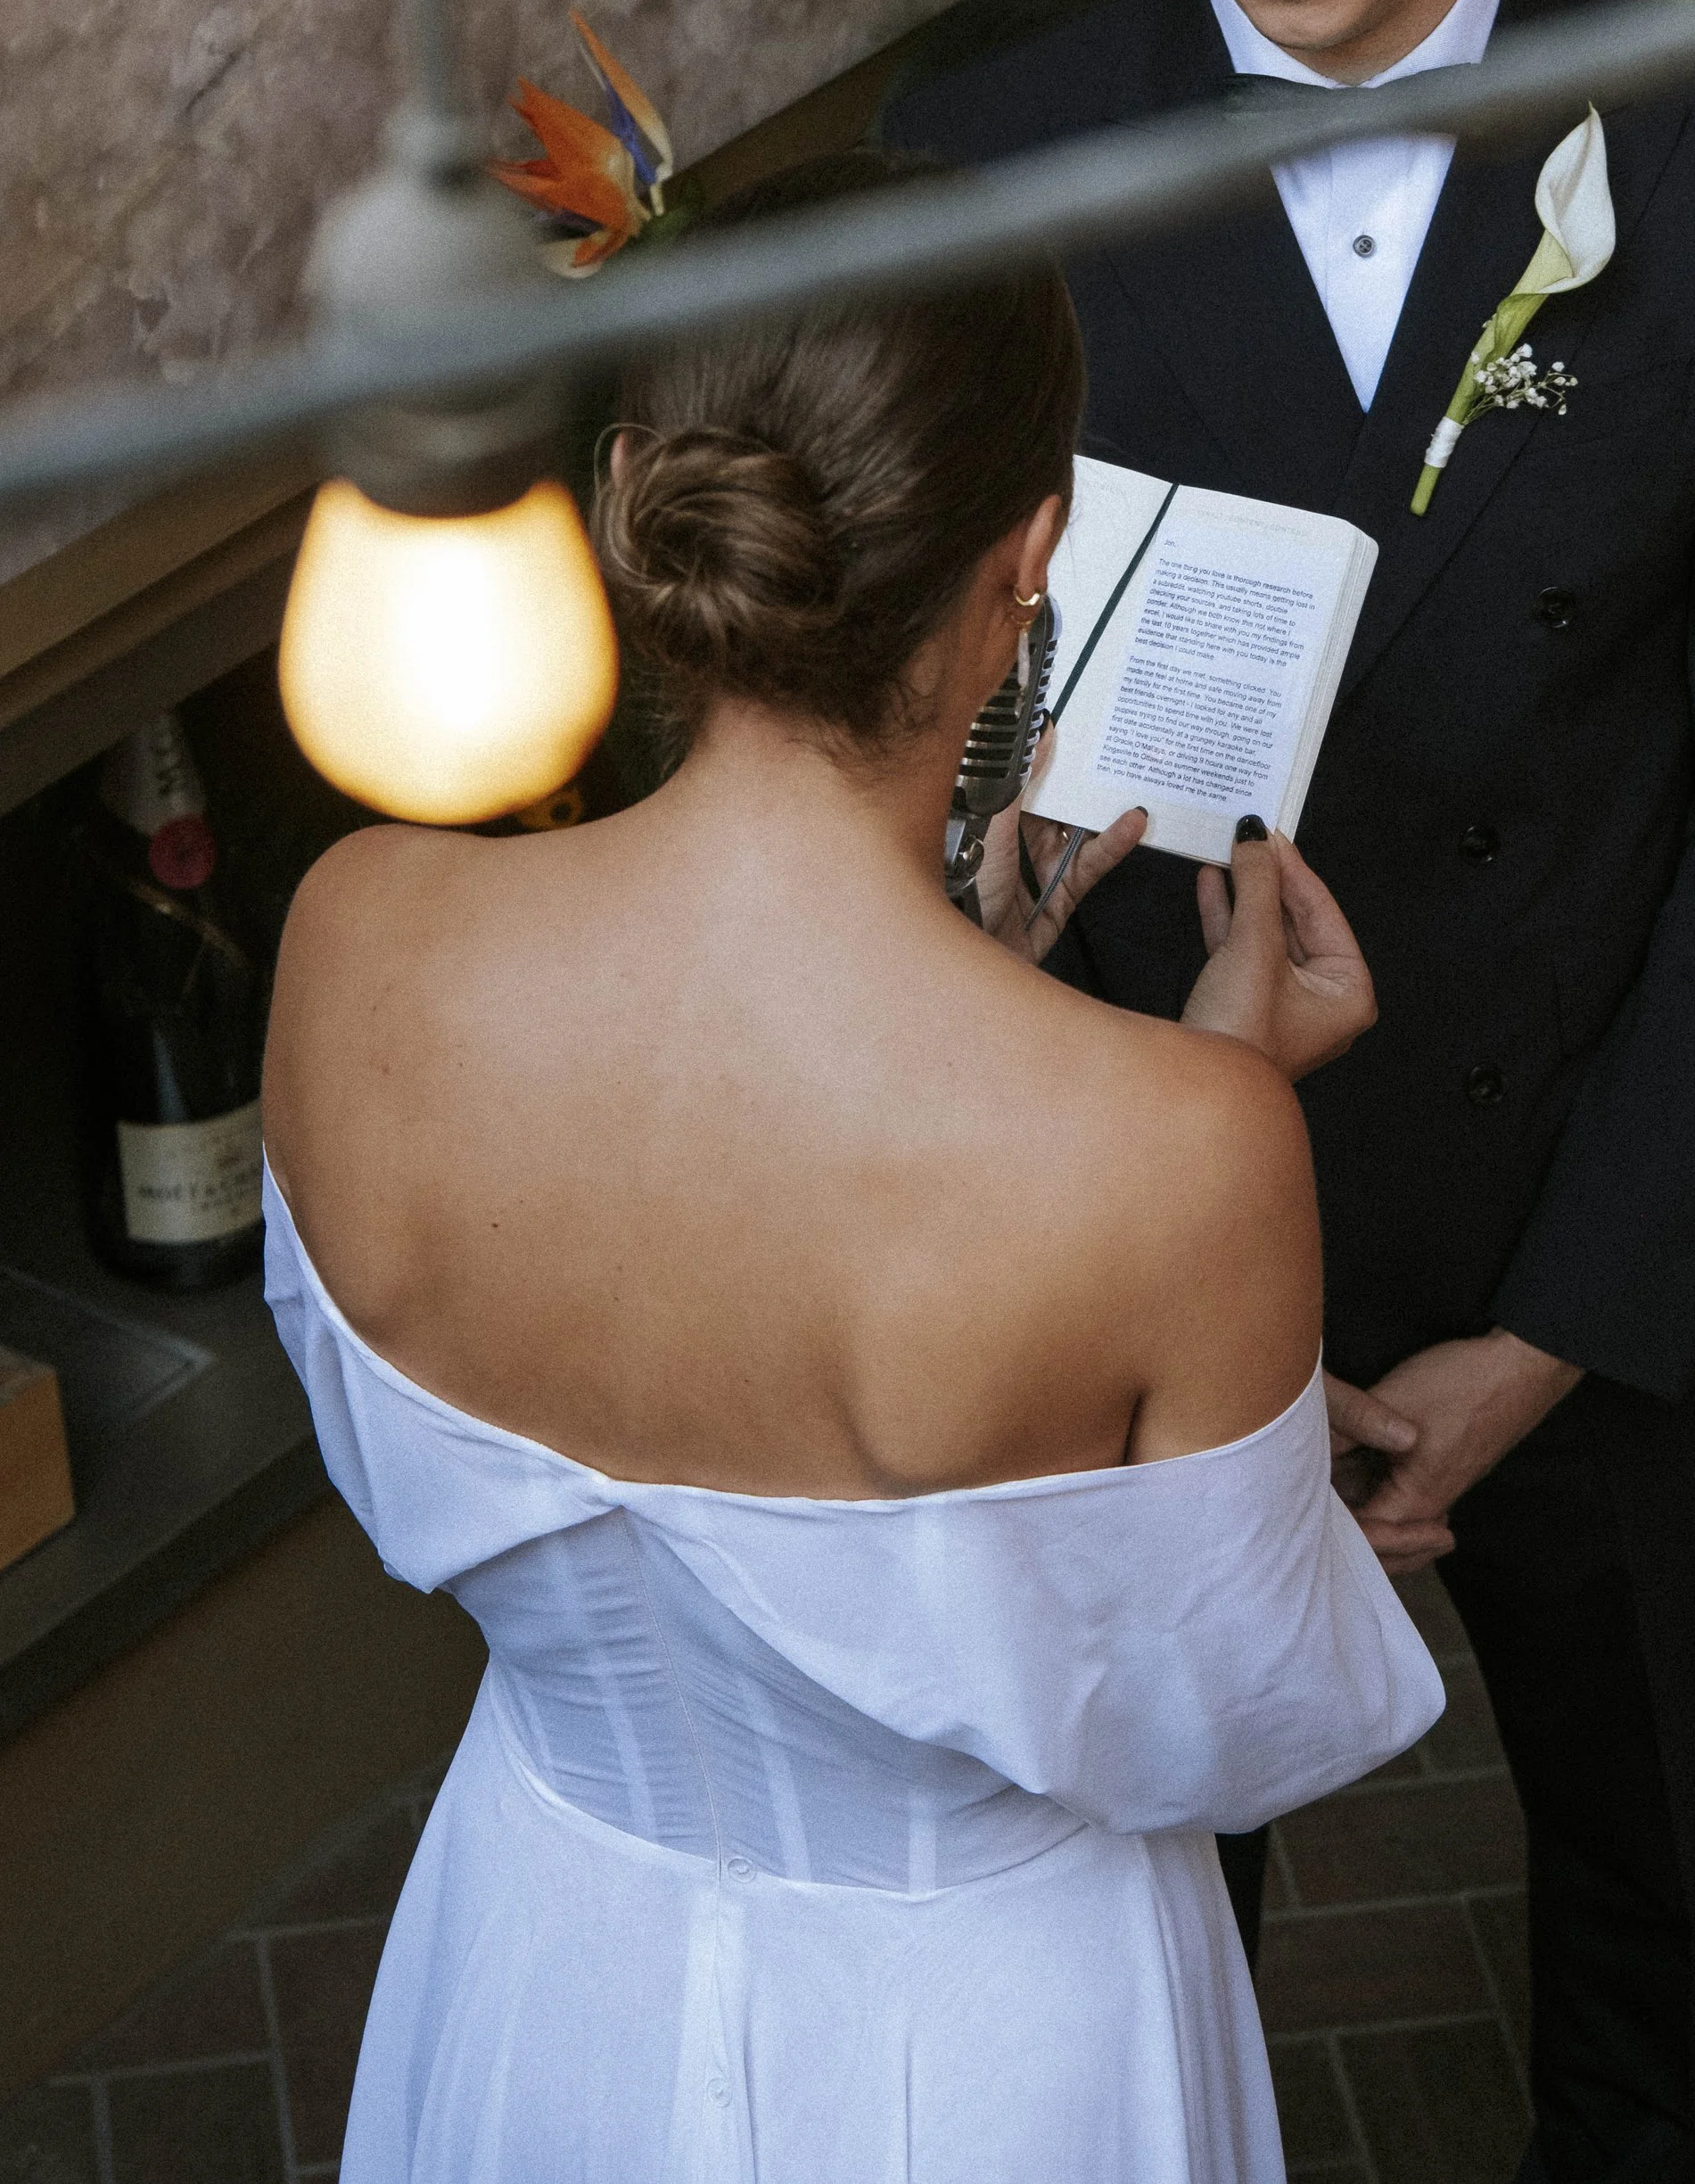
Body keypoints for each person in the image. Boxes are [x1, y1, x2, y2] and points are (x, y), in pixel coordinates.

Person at [889, 0, 1695, 2184]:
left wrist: (1559, 1322)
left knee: (1637, 1845)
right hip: (1134, 1248)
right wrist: (986, 875)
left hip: (1582, 1223)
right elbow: (901, 739)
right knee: (1141, 1893)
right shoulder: (983, 172)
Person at [259, 154, 1444, 2184]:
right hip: (998, 2034)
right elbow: (1234, 1729)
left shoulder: (356, 934)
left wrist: (1010, 1018)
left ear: (641, 491)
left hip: (553, 1941)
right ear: (1029, 560)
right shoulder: (1176, 1147)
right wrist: (1188, 1102)